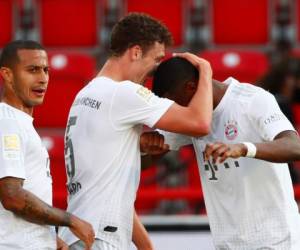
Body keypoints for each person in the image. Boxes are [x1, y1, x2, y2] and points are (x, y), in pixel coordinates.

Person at [58, 13, 213, 250]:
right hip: (99, 238)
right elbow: (200, 123)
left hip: (85, 233)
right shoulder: (123, 93)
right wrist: (205, 70)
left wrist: (146, 247)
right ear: (136, 52)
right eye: (157, 59)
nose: (155, 70)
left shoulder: (86, 95)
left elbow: (112, 189)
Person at [151, 57, 300, 249]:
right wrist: (146, 142)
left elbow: (294, 146)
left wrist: (243, 148)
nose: (176, 112)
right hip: (228, 244)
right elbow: (147, 159)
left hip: (275, 241)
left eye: (176, 104)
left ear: (191, 87)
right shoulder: (193, 119)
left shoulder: (252, 100)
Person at [0, 40, 95, 250]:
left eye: (45, 70)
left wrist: (49, 237)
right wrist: (70, 220)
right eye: (32, 70)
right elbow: (12, 196)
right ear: (7, 75)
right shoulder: (7, 123)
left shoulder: (19, 123)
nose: (42, 78)